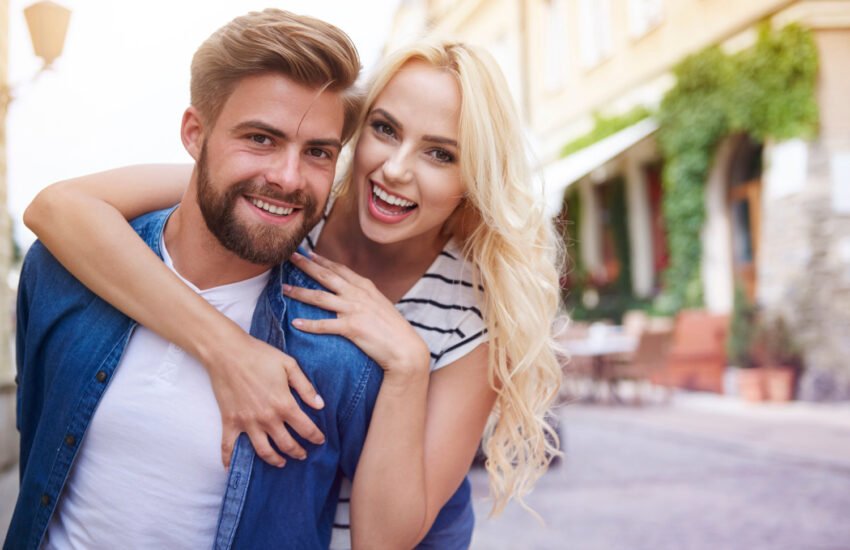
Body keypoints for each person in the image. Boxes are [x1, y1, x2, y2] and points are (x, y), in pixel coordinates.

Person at [23, 38, 565, 550]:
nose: (396, 170)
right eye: (385, 129)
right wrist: (229, 352)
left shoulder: (474, 314)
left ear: (473, 177)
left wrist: (408, 366)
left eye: (440, 154)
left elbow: (384, 539)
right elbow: (58, 209)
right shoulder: (284, 203)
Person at [7, 9, 382, 550]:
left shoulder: (340, 356)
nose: (288, 178)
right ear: (194, 133)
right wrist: (228, 349)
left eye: (318, 152)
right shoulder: (63, 274)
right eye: (260, 138)